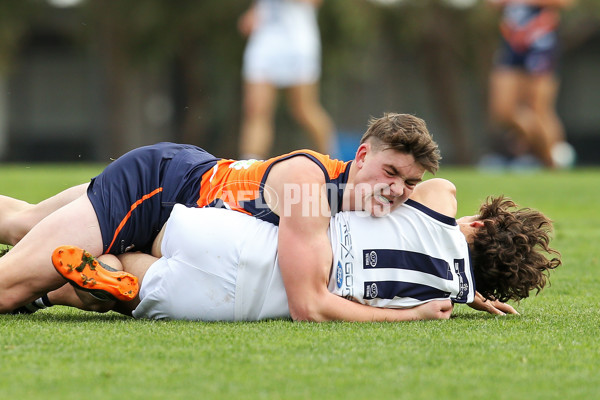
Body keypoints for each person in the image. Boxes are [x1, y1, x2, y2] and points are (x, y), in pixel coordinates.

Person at [0, 113, 445, 320]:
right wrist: (413, 314)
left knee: (24, 223)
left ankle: (78, 281)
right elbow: (308, 306)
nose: (396, 191)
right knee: (7, 287)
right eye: (390, 172)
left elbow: (438, 209)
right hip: (154, 190)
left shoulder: (365, 195)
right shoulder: (309, 186)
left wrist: (460, 285)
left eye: (408, 183)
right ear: (361, 155)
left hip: (183, 192)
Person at [42, 178, 560, 321]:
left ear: (480, 220)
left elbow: (436, 188)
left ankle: (80, 261)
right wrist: (470, 293)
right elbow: (456, 271)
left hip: (245, 242)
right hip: (239, 305)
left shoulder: (440, 203)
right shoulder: (441, 301)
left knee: (134, 232)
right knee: (134, 280)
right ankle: (72, 293)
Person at [238, 0, 335, 159]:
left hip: (297, 42)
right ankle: (248, 171)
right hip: (265, 40)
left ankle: (336, 166)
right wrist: (254, 12)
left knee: (304, 109)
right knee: (255, 109)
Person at [487, 0, 576, 169]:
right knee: (503, 111)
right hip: (512, 41)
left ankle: (551, 162)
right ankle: (544, 153)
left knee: (539, 109)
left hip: (540, 41)